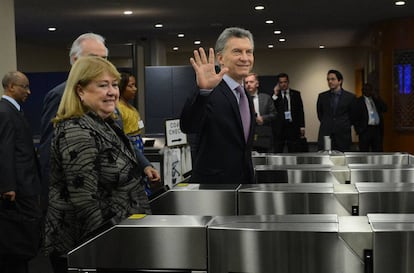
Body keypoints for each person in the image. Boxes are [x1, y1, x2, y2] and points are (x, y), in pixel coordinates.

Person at [43, 56, 152, 272]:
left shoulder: (105, 123)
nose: (112, 92)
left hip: (115, 239)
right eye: (103, 85)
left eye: (114, 84)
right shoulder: (76, 131)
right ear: (80, 91)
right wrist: (112, 246)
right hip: (90, 248)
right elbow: (85, 200)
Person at [39, 33, 159, 211]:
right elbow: (51, 156)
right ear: (75, 60)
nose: (101, 64)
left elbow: (121, 140)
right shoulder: (62, 100)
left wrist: (143, 165)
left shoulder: (107, 105)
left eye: (104, 59)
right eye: (94, 59)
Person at [180, 27, 256, 184]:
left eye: (248, 52)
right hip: (214, 190)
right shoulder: (210, 91)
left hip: (243, 186)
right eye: (237, 51)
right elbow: (188, 125)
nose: (245, 58)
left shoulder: (245, 95)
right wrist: (204, 91)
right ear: (220, 58)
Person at [0, 71, 42, 273]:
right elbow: (4, 150)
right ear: (11, 87)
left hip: (26, 184)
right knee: (19, 234)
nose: (29, 91)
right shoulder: (5, 112)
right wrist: (8, 186)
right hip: (19, 187)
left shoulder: (13, 111)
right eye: (24, 86)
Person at [317, 69, 356, 151]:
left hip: (343, 133)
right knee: (326, 159)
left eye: (333, 79)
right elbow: (320, 114)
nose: (330, 82)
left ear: (340, 81)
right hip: (326, 132)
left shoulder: (350, 97)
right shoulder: (322, 96)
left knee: (342, 160)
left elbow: (353, 116)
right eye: (328, 79)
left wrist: (343, 123)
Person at [271, 72, 306, 152]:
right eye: (281, 82)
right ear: (278, 84)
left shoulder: (296, 94)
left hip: (293, 125)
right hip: (280, 127)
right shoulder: (275, 96)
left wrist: (302, 126)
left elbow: (300, 111)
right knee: (278, 149)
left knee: (294, 149)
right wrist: (275, 94)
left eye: (285, 82)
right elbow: (272, 108)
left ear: (288, 82)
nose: (283, 84)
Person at [244, 72, 276, 153]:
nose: (248, 84)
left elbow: (274, 114)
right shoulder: (241, 99)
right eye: (246, 82)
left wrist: (263, 118)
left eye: (251, 82)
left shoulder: (266, 98)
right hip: (247, 134)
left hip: (263, 133)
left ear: (257, 84)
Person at [352, 83, 387, 152]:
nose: (368, 91)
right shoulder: (358, 101)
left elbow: (385, 109)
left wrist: (378, 98)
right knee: (364, 151)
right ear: (363, 91)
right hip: (365, 130)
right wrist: (358, 130)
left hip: (377, 129)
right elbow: (354, 117)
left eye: (370, 89)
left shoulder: (376, 100)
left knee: (378, 150)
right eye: (366, 89)